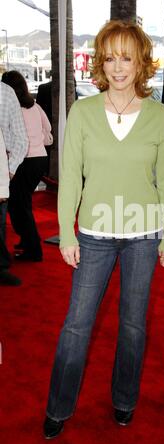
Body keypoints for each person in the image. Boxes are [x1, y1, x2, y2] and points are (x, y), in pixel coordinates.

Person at [43, 19, 164, 439]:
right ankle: (59, 407)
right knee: (76, 325)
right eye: (110, 57)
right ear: (100, 64)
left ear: (141, 63)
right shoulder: (82, 111)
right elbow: (71, 179)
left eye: (127, 57)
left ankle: (124, 401)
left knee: (134, 325)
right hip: (95, 235)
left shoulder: (158, 116)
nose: (118, 67)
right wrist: (67, 232)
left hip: (144, 234)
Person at [2, 71, 52, 262]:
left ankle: (33, 249)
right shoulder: (35, 107)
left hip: (24, 160)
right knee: (23, 204)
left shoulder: (13, 109)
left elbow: (9, 138)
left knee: (19, 207)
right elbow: (48, 130)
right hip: (40, 159)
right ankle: (27, 241)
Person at [0, 81, 28, 285]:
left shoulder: (6, 92)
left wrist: (8, 171)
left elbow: (21, 137)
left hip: (2, 164)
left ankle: (0, 267)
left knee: (0, 223)